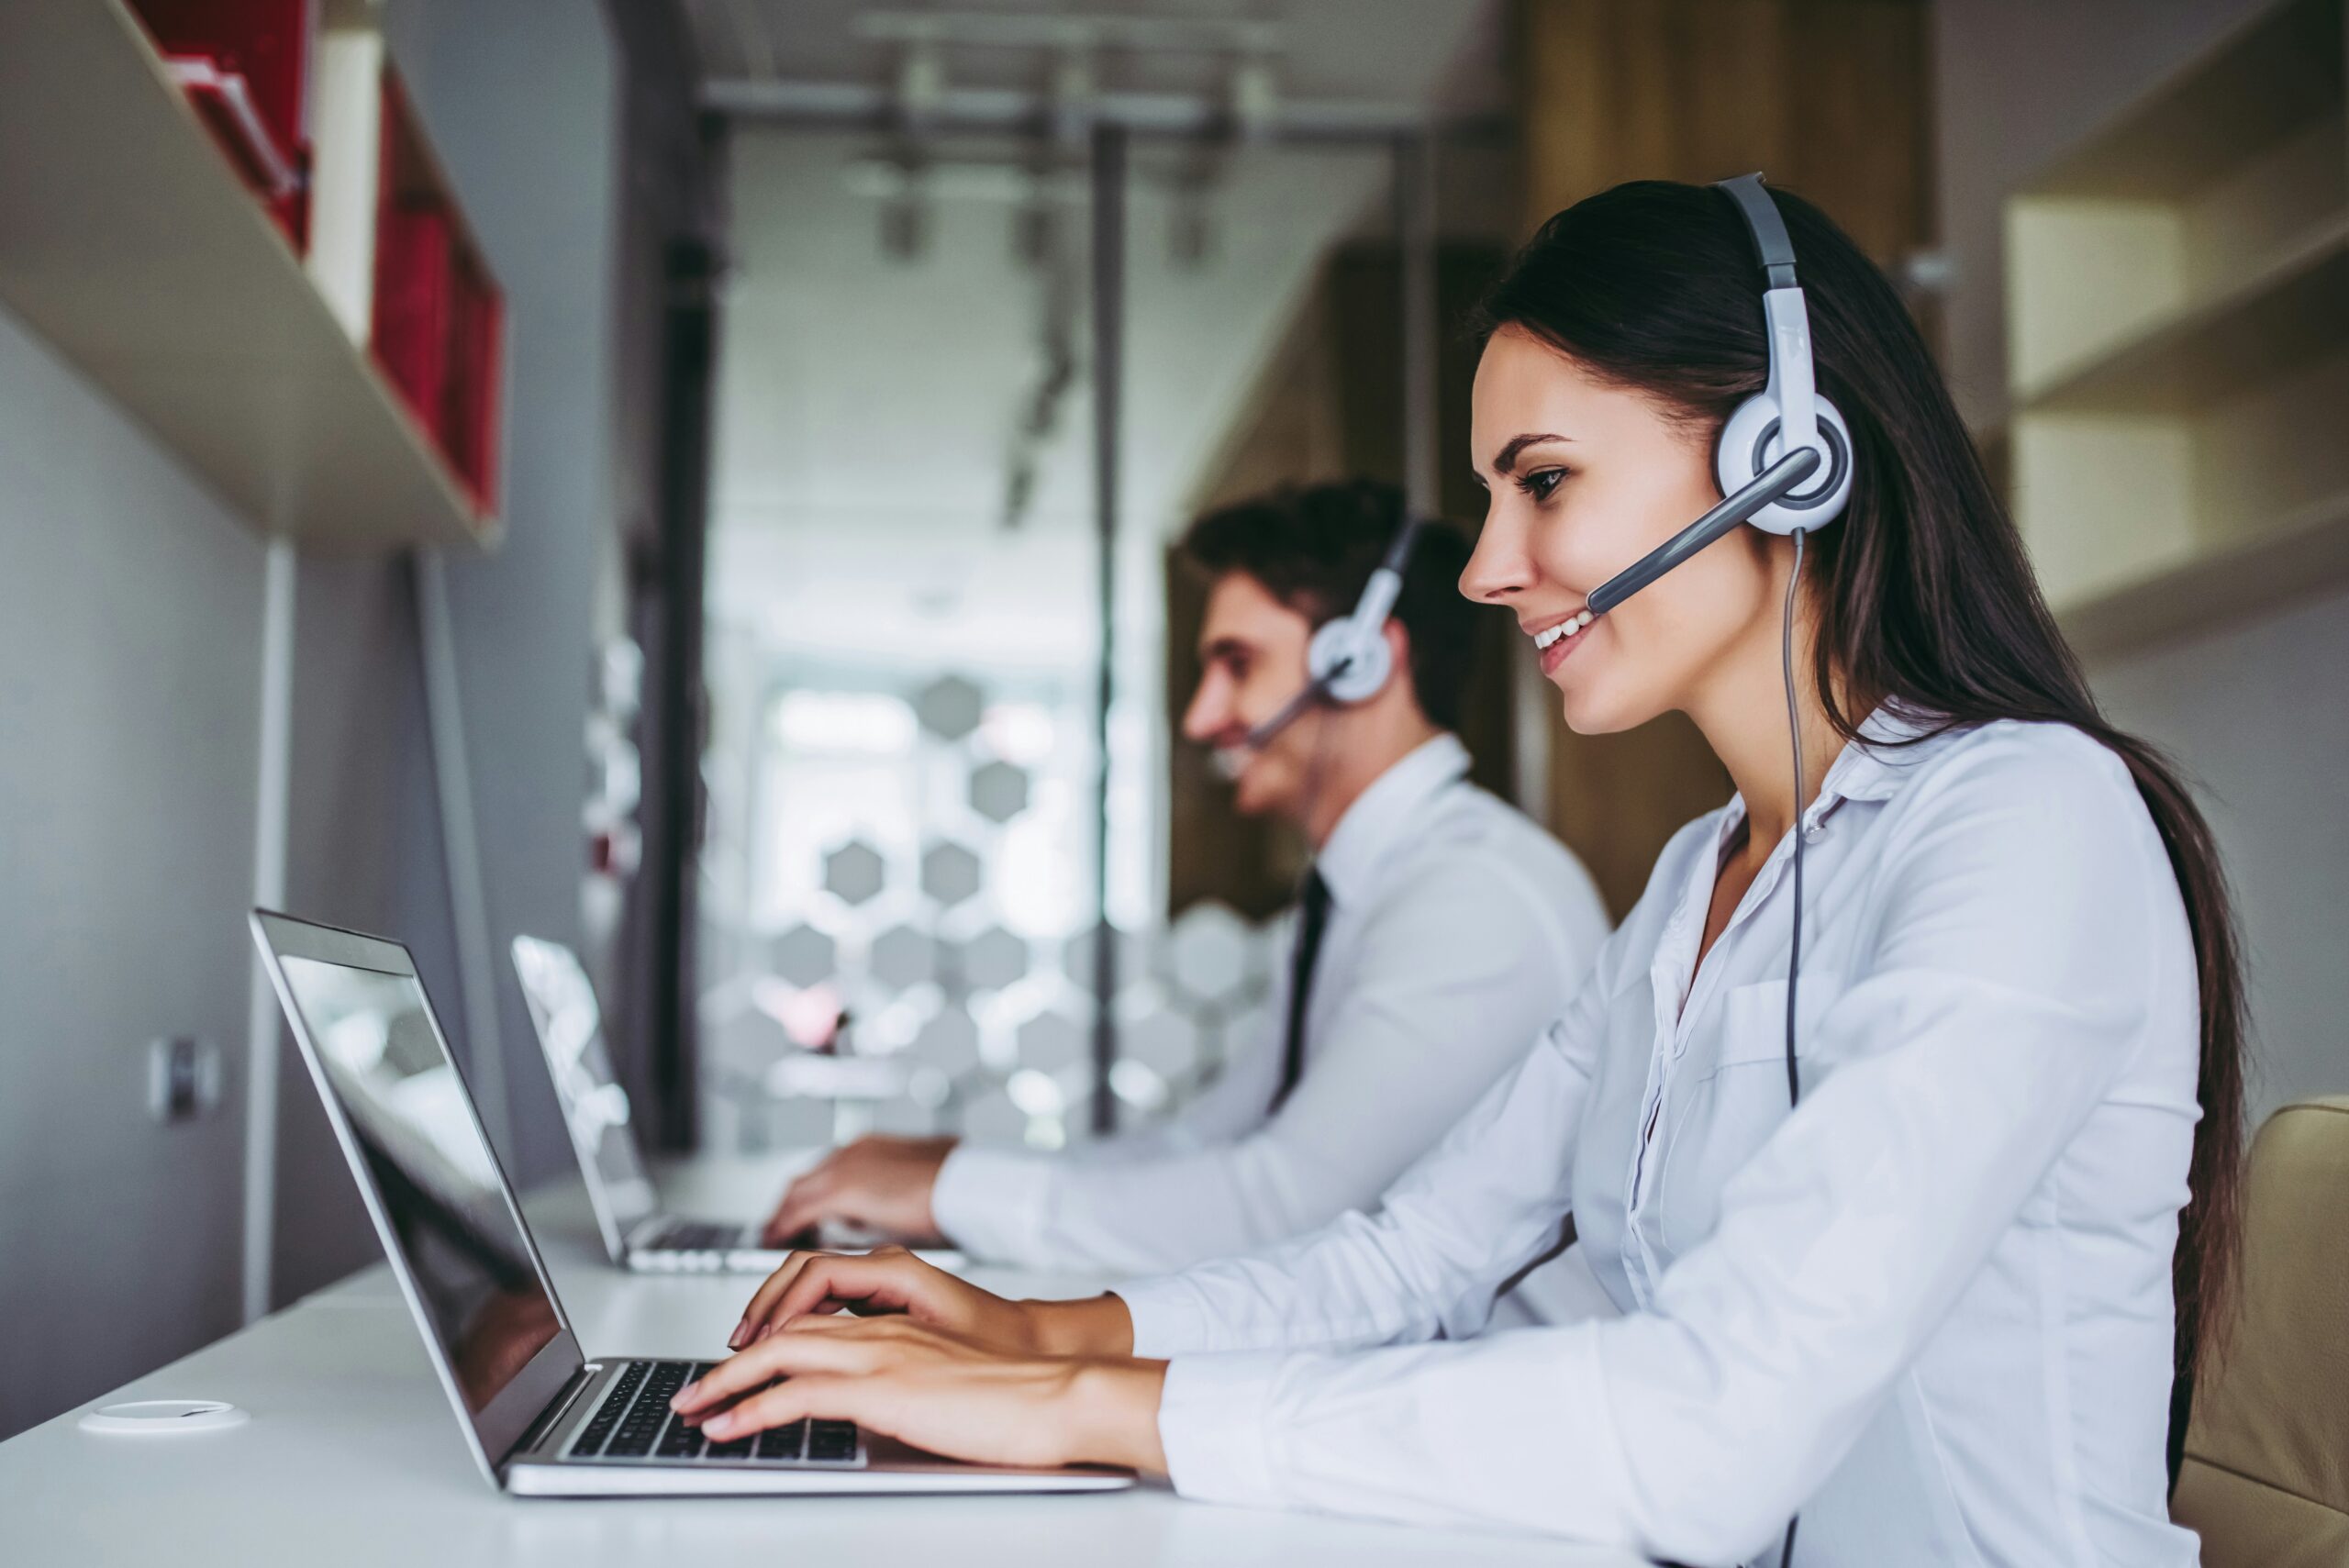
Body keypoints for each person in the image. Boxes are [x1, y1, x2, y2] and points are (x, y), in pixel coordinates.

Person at [672, 181, 2247, 1568]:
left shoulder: (2031, 822)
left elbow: (1716, 1418)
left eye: (1542, 482)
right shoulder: (1698, 879)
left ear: (1787, 454)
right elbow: (1412, 1254)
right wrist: (1036, 1330)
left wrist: (1079, 1407)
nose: (1491, 567)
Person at [762, 479, 1609, 1290]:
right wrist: (950, 1171)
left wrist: (952, 1195)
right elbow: (1201, 1146)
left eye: (1237, 664)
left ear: (1359, 661)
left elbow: (1286, 1208)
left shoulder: (1472, 899)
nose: (1203, 717)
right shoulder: (1356, 891)